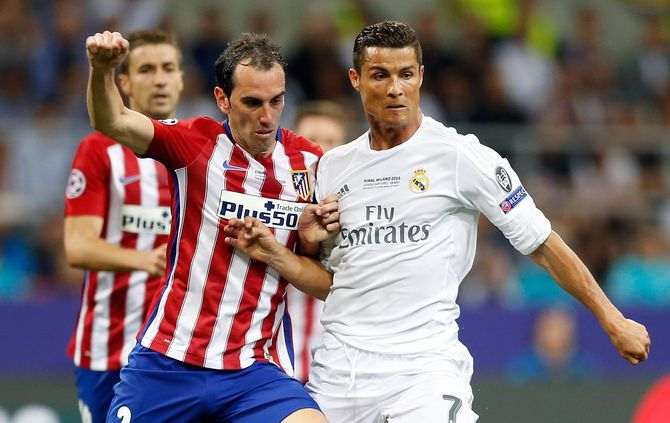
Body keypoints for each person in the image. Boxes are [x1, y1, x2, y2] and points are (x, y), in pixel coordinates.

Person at [223, 21, 650, 423]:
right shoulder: (334, 168)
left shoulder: (460, 156)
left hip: (422, 372)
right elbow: (336, 283)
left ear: (421, 76)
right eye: (380, 75)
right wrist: (302, 244)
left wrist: (612, 319)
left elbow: (541, 243)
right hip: (338, 373)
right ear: (355, 79)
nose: (395, 88)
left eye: (406, 74)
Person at [85, 30, 333, 422]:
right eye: (252, 102)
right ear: (223, 99)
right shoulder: (194, 142)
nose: (267, 117)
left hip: (254, 370)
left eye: (276, 101)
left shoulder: (310, 165)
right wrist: (101, 70)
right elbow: (112, 119)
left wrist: (301, 245)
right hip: (168, 361)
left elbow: (327, 283)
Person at [64, 29, 183, 423]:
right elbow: (78, 246)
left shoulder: (199, 149)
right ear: (125, 83)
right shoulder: (99, 150)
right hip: (109, 349)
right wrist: (147, 260)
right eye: (147, 70)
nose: (160, 79)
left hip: (176, 352)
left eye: (168, 68)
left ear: (181, 79)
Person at [287, 101, 347, 383]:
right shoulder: (269, 199)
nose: (320, 151)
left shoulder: (363, 209)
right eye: (310, 141)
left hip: (340, 366)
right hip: (277, 361)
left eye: (331, 142)